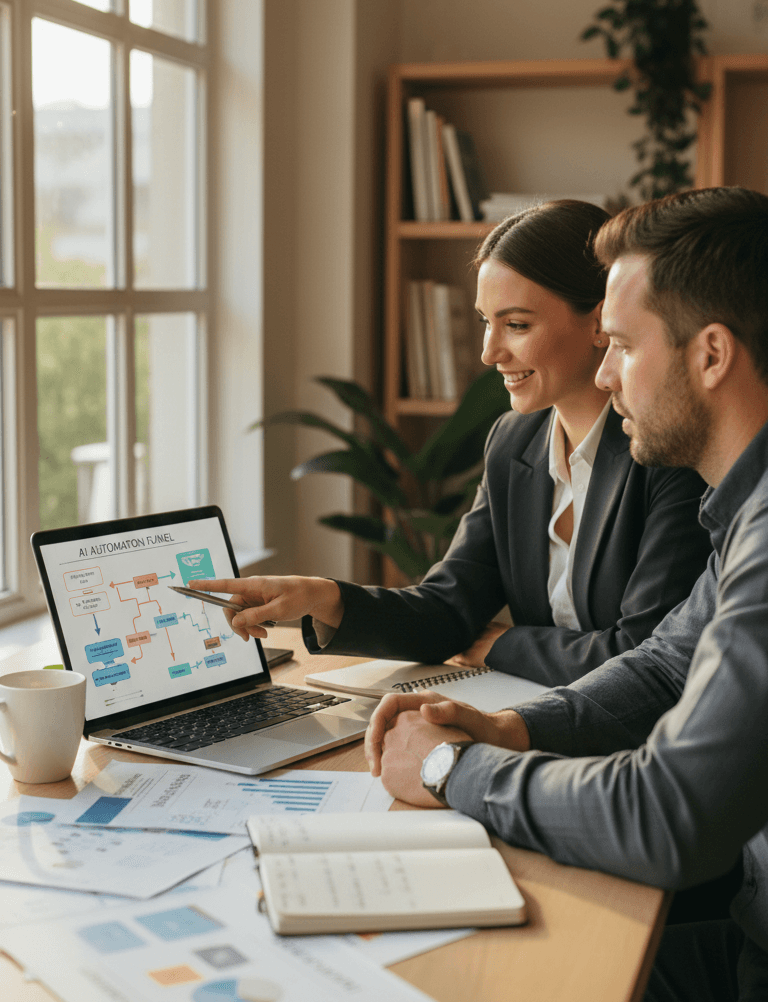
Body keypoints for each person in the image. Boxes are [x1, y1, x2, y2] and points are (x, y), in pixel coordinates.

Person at [363, 185, 768, 1002]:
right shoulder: (743, 513)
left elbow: (666, 814)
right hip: (749, 940)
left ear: (710, 355)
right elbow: (666, 663)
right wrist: (510, 724)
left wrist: (458, 769)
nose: (610, 374)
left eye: (623, 346)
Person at [198, 199, 709, 687]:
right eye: (487, 322)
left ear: (600, 323)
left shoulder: (666, 449)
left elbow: (643, 654)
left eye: (516, 325)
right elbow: (448, 608)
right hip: (531, 709)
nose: (490, 353)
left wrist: (498, 645)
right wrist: (322, 598)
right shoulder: (514, 441)